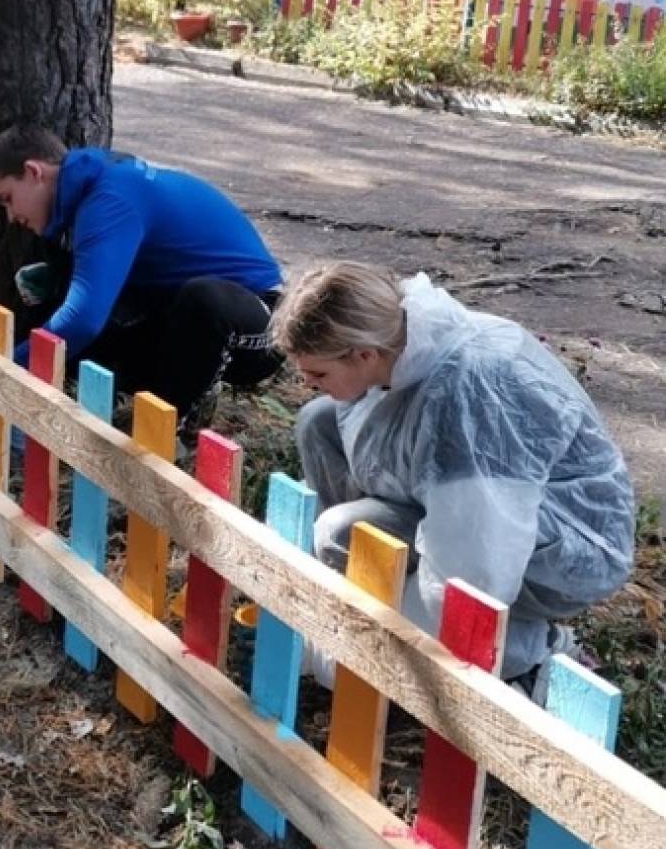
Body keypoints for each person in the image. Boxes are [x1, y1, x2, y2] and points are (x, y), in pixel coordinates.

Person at [269, 260, 635, 694]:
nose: (307, 383)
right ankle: (367, 583)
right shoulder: (397, 343)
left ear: (364, 355)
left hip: (561, 543)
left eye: (318, 374)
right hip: (468, 499)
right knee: (319, 422)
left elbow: (476, 558)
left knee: (343, 530)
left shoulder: (469, 394)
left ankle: (524, 647)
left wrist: (387, 650)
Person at [0, 125, 285, 425]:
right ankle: (180, 396)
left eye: (7, 198)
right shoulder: (93, 191)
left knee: (201, 300)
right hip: (183, 312)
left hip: (262, 320)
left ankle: (167, 429)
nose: (10, 217)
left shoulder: (109, 200)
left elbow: (83, 318)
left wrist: (5, 369)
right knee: (81, 316)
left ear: (35, 172)